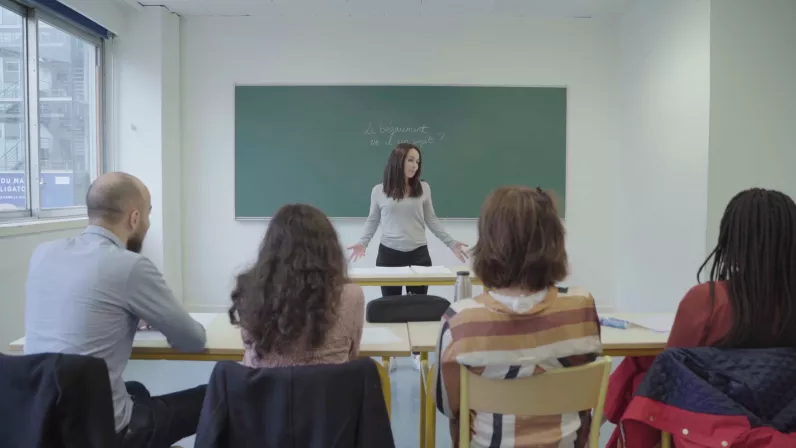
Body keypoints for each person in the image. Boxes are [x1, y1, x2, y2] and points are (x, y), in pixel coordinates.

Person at [23, 172, 208, 448]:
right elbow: (193, 340)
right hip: (106, 432)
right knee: (215, 394)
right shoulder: (130, 266)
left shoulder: (42, 253)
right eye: (148, 214)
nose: (148, 223)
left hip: (42, 422)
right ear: (134, 218)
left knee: (137, 390)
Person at [604, 187, 796, 447]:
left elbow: (671, 370)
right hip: (785, 430)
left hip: (711, 435)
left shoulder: (708, 301)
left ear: (731, 242)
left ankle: (596, 421)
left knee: (642, 372)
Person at [433, 186, 602, 448]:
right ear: (555, 240)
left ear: (489, 242)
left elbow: (449, 406)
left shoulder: (461, 321)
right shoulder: (581, 308)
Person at [230, 203, 365, 368]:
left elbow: (249, 344)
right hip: (327, 385)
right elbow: (352, 354)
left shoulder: (248, 288)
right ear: (330, 249)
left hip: (262, 384)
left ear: (271, 247)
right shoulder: (351, 295)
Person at [348, 143, 469, 297]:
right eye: (410, 160)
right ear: (398, 160)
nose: (415, 166)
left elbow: (431, 219)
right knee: (391, 307)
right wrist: (363, 243)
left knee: (417, 305)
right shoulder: (378, 191)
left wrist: (451, 243)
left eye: (417, 162)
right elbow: (372, 220)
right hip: (389, 255)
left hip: (418, 255)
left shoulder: (423, 188)